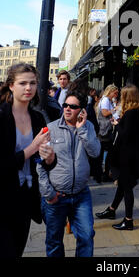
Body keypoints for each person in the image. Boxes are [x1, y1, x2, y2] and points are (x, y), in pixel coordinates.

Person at [0, 63, 55, 258]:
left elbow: (44, 162)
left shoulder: (37, 118)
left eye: (33, 83)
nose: (28, 88)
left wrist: (50, 157)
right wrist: (32, 148)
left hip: (26, 201)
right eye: (22, 83)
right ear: (11, 85)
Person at [37, 90, 101, 257]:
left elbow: (95, 152)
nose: (67, 109)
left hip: (81, 195)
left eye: (73, 106)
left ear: (82, 110)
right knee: (54, 241)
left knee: (87, 236)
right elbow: (39, 164)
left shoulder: (88, 127)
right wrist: (48, 193)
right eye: (65, 105)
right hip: (57, 196)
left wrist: (82, 130)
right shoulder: (50, 129)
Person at [95, 85, 139, 230]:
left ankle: (128, 220)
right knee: (123, 185)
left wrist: (117, 124)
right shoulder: (136, 112)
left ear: (127, 97)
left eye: (123, 95)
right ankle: (112, 210)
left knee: (126, 187)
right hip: (131, 155)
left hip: (128, 157)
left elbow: (126, 134)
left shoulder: (130, 113)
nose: (120, 97)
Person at [97, 84, 119, 181]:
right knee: (108, 152)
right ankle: (104, 174)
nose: (116, 95)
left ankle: (103, 173)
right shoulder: (105, 100)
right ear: (110, 92)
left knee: (105, 152)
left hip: (106, 129)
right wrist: (114, 109)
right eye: (115, 93)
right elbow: (105, 113)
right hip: (104, 129)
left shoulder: (108, 100)